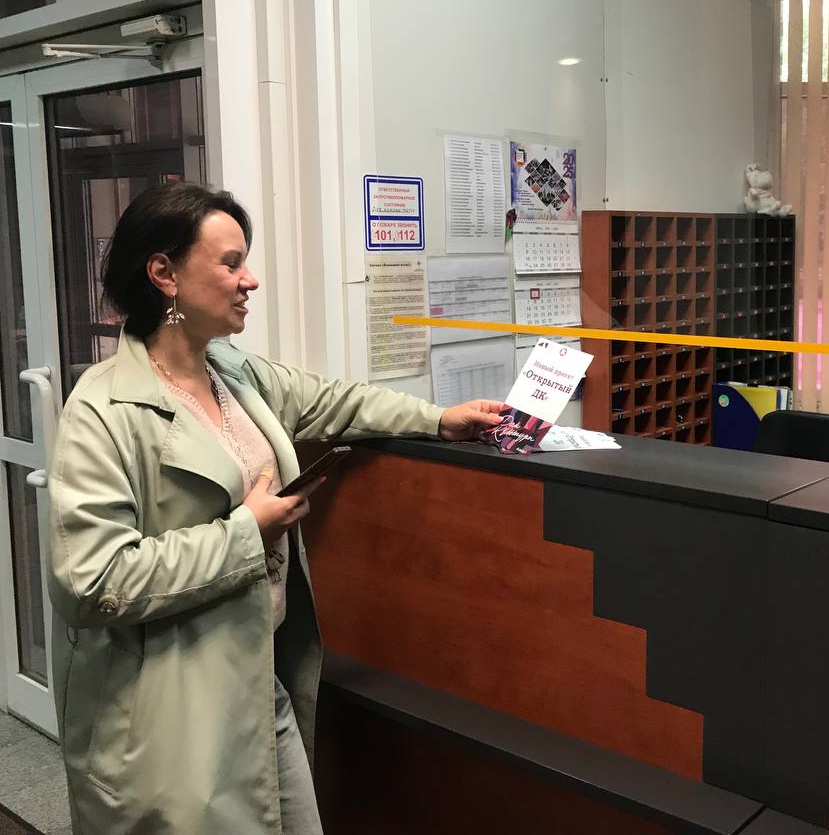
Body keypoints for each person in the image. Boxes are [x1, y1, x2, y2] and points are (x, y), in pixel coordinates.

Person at [46, 182, 504, 834]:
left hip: (261, 685)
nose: (250, 280)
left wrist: (437, 418)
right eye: (231, 263)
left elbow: (333, 401)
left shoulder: (233, 372)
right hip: (173, 709)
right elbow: (90, 582)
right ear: (164, 274)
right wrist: (246, 534)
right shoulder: (102, 407)